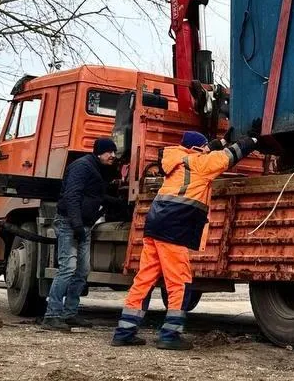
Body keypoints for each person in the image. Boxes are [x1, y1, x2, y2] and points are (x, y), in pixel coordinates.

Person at [111, 131, 258, 349]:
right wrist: (252, 140)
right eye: (205, 146)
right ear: (198, 149)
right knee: (178, 281)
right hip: (174, 228)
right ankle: (170, 335)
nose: (208, 148)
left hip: (155, 225)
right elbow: (228, 156)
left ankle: (124, 332)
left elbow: (211, 150)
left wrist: (224, 139)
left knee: (144, 279)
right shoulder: (200, 164)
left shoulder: (176, 160)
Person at [41, 137, 118, 332]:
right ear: (99, 151)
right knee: (67, 268)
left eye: (114, 152)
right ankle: (52, 315)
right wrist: (76, 224)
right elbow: (72, 195)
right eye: (109, 152)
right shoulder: (81, 167)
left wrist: (117, 204)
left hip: (84, 225)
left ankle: (70, 313)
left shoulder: (96, 168)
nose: (113, 156)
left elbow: (94, 196)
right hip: (70, 223)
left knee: (82, 271)